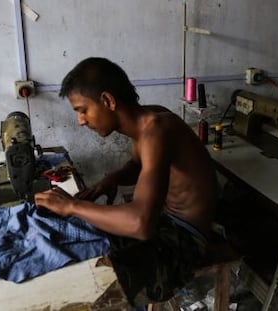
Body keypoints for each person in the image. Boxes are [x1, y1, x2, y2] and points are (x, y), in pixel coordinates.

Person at [34, 57, 219, 306]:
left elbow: (140, 225)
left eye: (83, 110)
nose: (81, 120)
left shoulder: (157, 130)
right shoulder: (145, 122)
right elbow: (140, 166)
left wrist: (72, 206)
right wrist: (111, 180)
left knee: (99, 282)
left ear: (108, 101)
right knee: (82, 238)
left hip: (186, 238)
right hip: (165, 221)